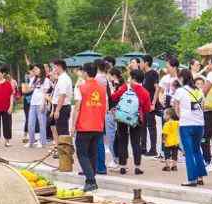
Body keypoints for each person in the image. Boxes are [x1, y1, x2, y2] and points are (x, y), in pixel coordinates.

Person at [71, 62, 107, 192]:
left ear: (85, 73)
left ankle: (91, 180)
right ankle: (90, 180)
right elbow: (105, 107)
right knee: (92, 153)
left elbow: (77, 108)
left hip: (84, 125)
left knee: (82, 153)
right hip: (98, 125)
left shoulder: (81, 87)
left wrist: (73, 125)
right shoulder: (102, 88)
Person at [112, 69, 151, 175]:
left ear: (133, 78)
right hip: (136, 119)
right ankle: (137, 167)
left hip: (122, 117)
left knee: (122, 141)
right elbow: (147, 109)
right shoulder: (144, 92)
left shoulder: (125, 87)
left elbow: (114, 97)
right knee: (136, 142)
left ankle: (123, 166)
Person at [173, 71, 207, 186]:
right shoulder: (199, 90)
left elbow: (176, 107)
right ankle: (200, 176)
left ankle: (192, 179)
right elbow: (203, 106)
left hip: (186, 124)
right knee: (197, 150)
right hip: (199, 124)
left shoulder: (180, 91)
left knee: (188, 152)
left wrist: (181, 117)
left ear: (182, 78)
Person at [155, 57, 179, 159]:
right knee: (165, 129)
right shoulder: (165, 78)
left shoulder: (179, 78)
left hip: (177, 106)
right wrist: (160, 99)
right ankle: (164, 152)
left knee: (175, 130)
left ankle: (175, 154)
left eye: (168, 66)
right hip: (166, 107)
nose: (166, 68)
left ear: (174, 67)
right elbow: (159, 90)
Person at [26, 64, 51, 147]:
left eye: (36, 69)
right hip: (33, 103)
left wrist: (43, 104)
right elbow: (28, 89)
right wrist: (31, 80)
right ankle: (31, 141)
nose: (35, 70)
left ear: (41, 69)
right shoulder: (33, 79)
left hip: (41, 103)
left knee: (42, 123)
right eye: (34, 69)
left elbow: (45, 93)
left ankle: (42, 142)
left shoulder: (46, 80)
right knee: (30, 123)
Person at [140, 55, 159, 156]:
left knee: (151, 126)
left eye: (142, 62)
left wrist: (153, 103)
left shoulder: (153, 73)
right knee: (142, 126)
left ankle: (153, 149)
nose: (140, 64)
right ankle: (143, 147)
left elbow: (157, 88)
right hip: (143, 104)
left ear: (146, 63)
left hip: (150, 104)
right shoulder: (144, 74)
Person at [51, 59, 73, 143]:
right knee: (60, 130)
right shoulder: (61, 78)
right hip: (61, 107)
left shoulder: (64, 79)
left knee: (62, 132)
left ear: (59, 67)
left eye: (54, 67)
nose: (54, 69)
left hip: (62, 107)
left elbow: (62, 95)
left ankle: (65, 152)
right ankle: (62, 151)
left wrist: (57, 110)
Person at [161, 108, 180, 173]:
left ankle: (167, 166)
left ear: (168, 115)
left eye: (164, 115)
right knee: (175, 154)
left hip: (168, 143)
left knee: (167, 154)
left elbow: (165, 134)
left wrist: (163, 140)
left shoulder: (166, 124)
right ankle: (174, 166)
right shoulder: (177, 123)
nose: (163, 116)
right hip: (176, 142)